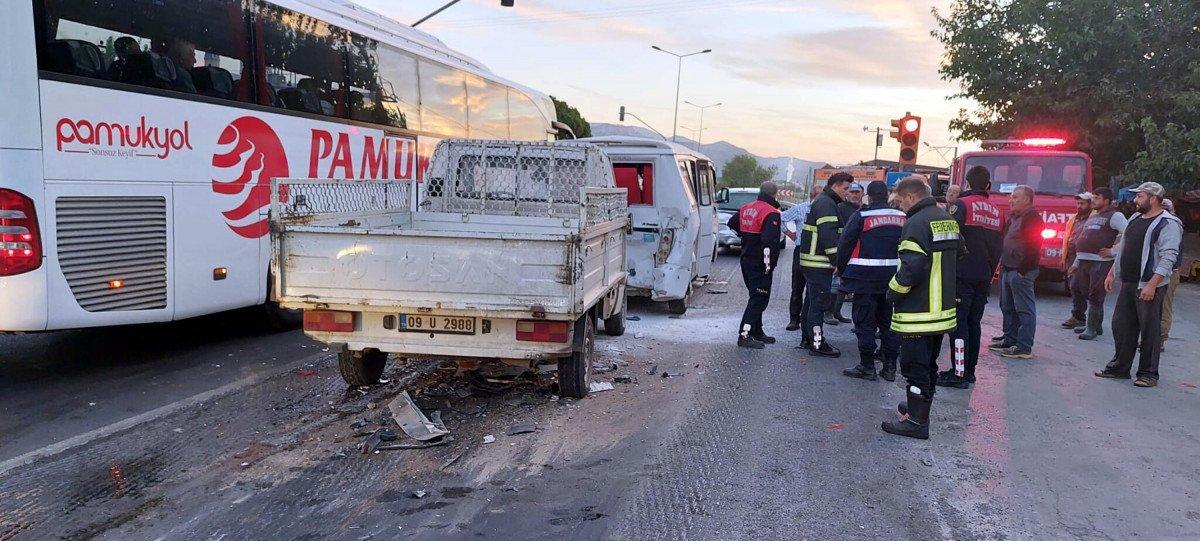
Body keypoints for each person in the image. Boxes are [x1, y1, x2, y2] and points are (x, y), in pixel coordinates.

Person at [881, 177, 962, 439]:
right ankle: (920, 406)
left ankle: (916, 421)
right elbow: (960, 250)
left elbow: (911, 268)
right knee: (928, 363)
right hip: (942, 310)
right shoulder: (944, 217)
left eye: (900, 200)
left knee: (914, 365)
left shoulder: (915, 223)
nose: (899, 205)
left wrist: (892, 292)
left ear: (911, 197)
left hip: (920, 311)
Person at [1096, 182, 1183, 387]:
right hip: (1129, 281)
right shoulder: (1135, 218)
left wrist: (1152, 285)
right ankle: (1119, 368)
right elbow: (1124, 247)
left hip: (1148, 284)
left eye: (1140, 196)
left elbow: (1168, 257)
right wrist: (1112, 272)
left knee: (1149, 330)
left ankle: (1148, 374)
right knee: (1122, 325)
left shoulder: (1168, 223)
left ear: (1153, 198)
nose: (1135, 200)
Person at [936, 166, 1003, 389]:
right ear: (988, 186)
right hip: (983, 277)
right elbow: (997, 248)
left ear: (966, 184)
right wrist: (989, 272)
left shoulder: (961, 205)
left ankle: (958, 372)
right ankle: (969, 371)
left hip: (961, 275)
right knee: (974, 323)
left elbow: (947, 239)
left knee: (958, 325)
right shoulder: (996, 211)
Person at [837, 181, 904, 382]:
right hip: (893, 278)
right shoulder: (902, 216)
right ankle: (890, 366)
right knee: (889, 323)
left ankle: (867, 366)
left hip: (864, 278)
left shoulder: (862, 216)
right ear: (888, 195)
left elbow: (845, 243)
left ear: (870, 197)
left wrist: (841, 269)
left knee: (865, 322)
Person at [798, 173, 854, 356]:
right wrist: (837, 262)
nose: (847, 193)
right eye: (845, 188)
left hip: (812, 262)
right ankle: (817, 343)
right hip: (819, 263)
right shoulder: (827, 204)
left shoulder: (823, 201)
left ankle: (808, 338)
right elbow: (828, 237)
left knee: (811, 302)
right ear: (835, 186)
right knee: (819, 305)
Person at [988, 185, 1043, 359]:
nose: (1010, 200)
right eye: (1011, 197)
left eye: (1015, 197)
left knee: (1024, 310)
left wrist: (1022, 270)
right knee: (1007, 307)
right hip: (1007, 268)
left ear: (1027, 199)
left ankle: (1024, 347)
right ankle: (1010, 339)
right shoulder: (1014, 218)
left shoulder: (1032, 218)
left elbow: (1034, 246)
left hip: (1021, 271)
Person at [728, 181, 784, 349]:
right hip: (761, 262)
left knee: (756, 296)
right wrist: (769, 266)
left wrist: (745, 236)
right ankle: (744, 335)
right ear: (775, 194)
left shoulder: (746, 207)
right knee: (758, 298)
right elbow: (770, 243)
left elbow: (732, 223)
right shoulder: (771, 212)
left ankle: (757, 331)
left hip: (746, 259)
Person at [1072, 187, 1127, 340]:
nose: (1093, 200)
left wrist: (1113, 251)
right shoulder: (1093, 215)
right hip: (1084, 260)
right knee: (1082, 291)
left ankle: (1091, 328)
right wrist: (1076, 262)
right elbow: (1084, 237)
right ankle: (1095, 324)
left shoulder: (1115, 216)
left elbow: (1128, 234)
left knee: (1096, 294)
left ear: (1106, 200)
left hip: (1100, 262)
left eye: (1097, 197)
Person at [782, 186, 819, 332]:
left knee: (813, 288)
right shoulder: (801, 208)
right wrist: (790, 234)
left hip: (817, 252)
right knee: (797, 287)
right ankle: (794, 319)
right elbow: (781, 218)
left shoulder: (827, 210)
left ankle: (808, 320)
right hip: (801, 250)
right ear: (812, 196)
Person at [827, 182, 864, 325]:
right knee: (835, 282)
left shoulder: (863, 210)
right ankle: (828, 312)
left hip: (858, 253)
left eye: (857, 192)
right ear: (847, 193)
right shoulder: (839, 208)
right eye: (852, 192)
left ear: (863, 194)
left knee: (845, 284)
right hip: (842, 250)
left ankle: (837, 311)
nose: (854, 195)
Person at [1059, 192, 1095, 329]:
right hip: (1072, 256)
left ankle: (1089, 319)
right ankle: (1078, 316)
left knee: (1084, 287)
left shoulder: (1094, 218)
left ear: (1090, 204)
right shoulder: (1073, 219)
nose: (1079, 206)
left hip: (1086, 257)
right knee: (1073, 286)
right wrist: (1063, 257)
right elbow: (1066, 238)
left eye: (1083, 203)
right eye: (1078, 203)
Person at [1158, 198, 1183, 351]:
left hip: (1170, 272)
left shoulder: (1172, 224)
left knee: (1164, 307)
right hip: (1160, 271)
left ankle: (1160, 339)